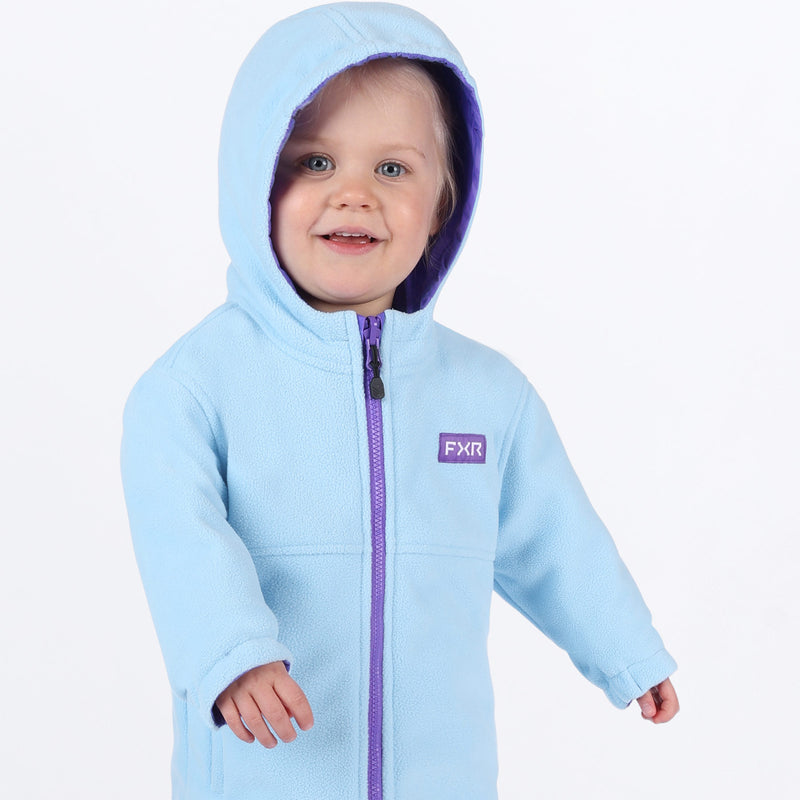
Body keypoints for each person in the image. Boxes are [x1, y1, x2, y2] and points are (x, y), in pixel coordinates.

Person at [120, 3, 678, 798]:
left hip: (442, 775)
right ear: (254, 184)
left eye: (392, 170)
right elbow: (179, 537)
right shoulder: (197, 385)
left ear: (443, 204)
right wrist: (230, 654)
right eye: (315, 163)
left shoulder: (488, 395)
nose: (354, 194)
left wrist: (626, 650)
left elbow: (556, 540)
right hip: (268, 767)